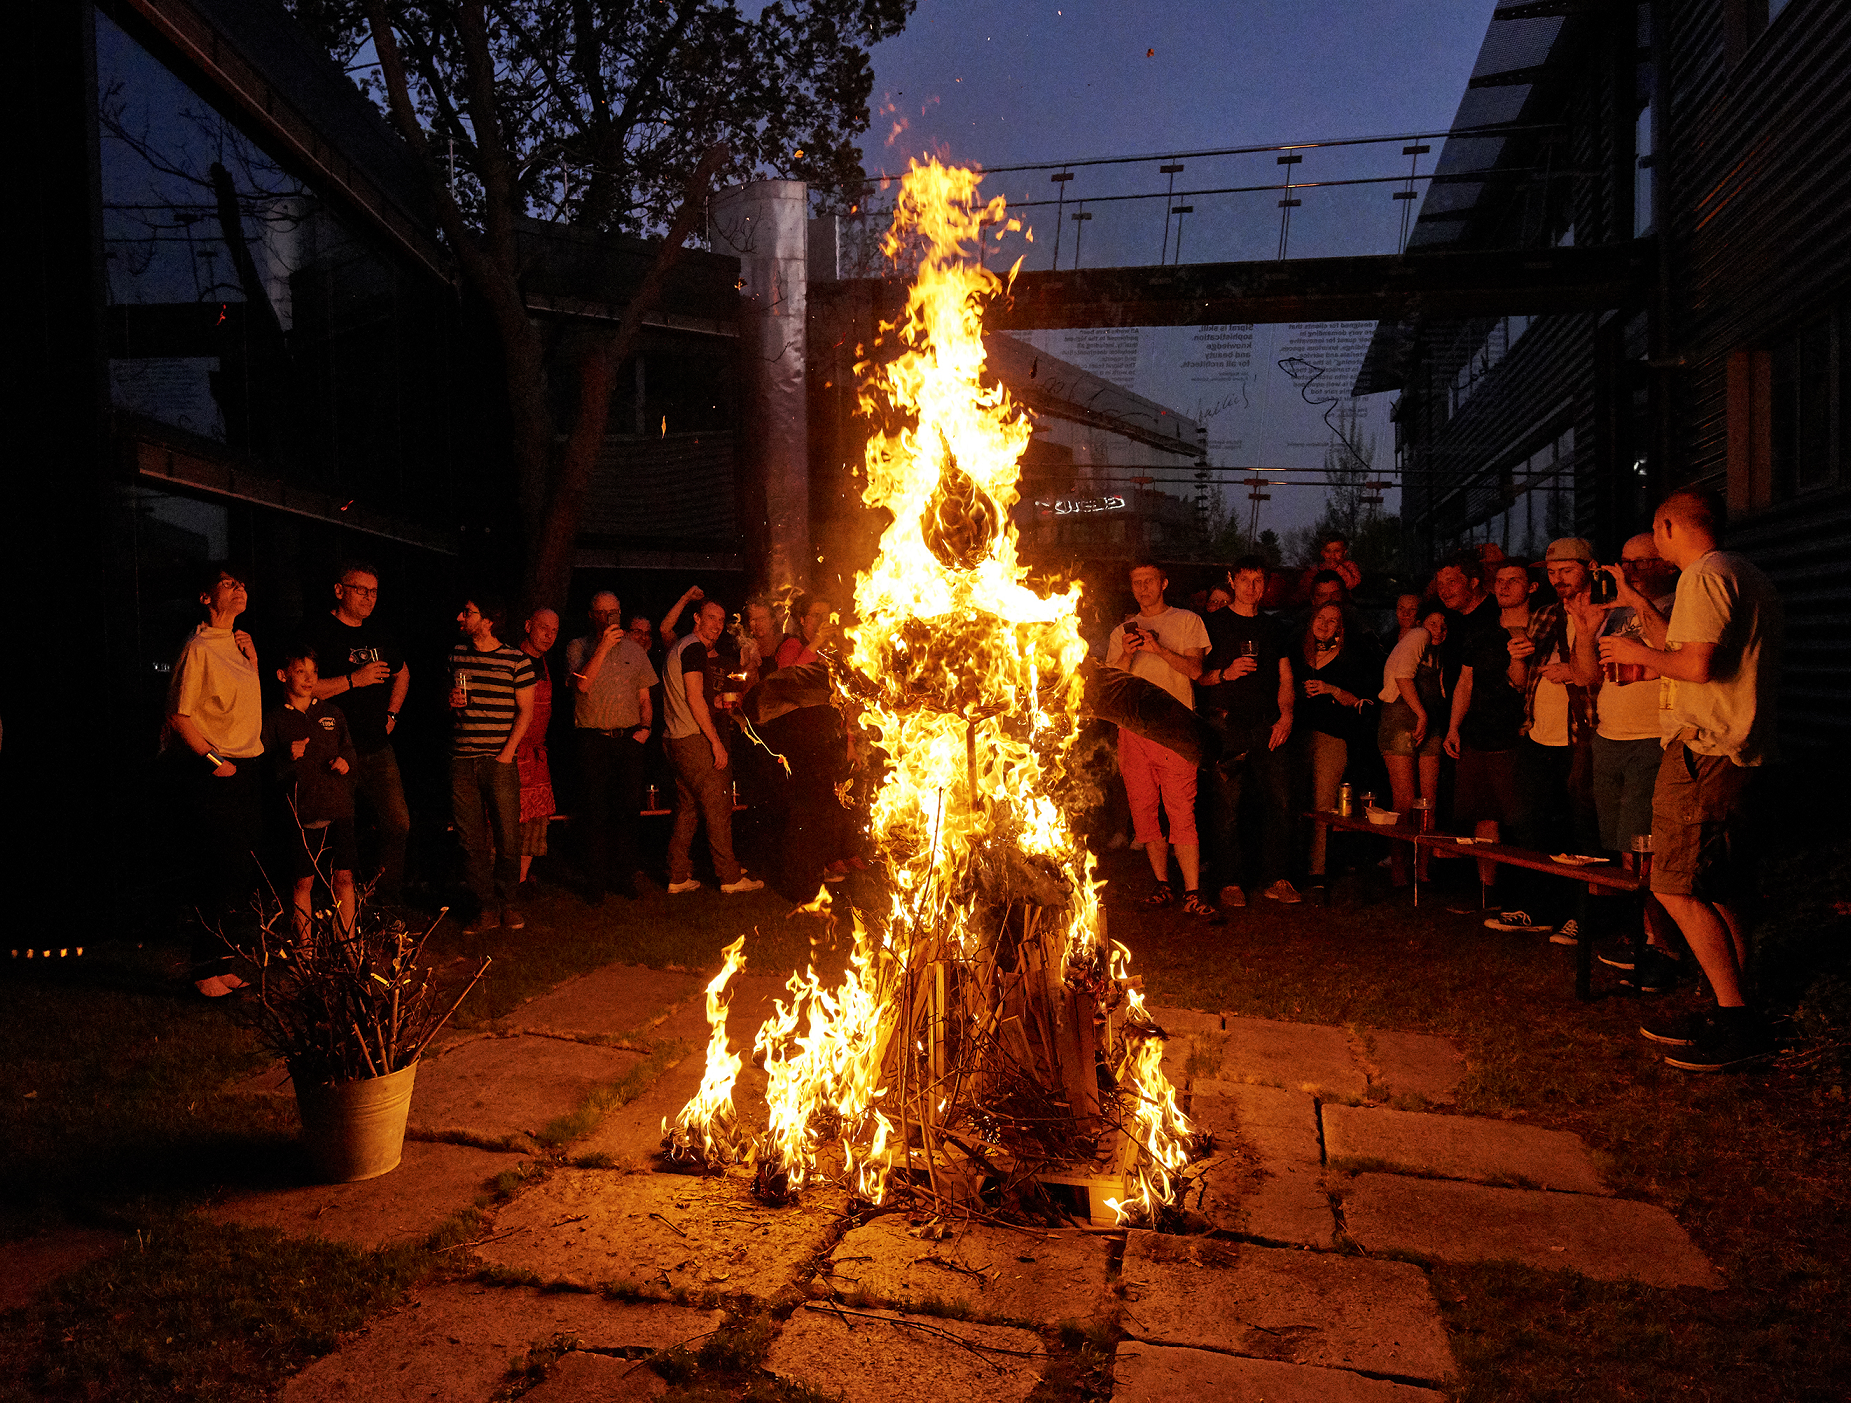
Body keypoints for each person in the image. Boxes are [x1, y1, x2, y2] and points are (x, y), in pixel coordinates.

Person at [1599, 489, 1783, 1071]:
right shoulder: (1742, 573)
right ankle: (1737, 1003)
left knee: (1674, 884)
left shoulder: (1704, 577)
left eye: (1655, 535)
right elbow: (1690, 649)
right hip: (1736, 748)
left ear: (1669, 525)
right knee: (1720, 883)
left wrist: (1636, 651)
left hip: (1703, 751)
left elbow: (1696, 666)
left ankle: (1735, 1019)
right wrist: (1638, 608)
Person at [1571, 534, 1684, 989]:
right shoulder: (1616, 611)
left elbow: (1679, 658)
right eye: (1625, 561)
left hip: (1653, 736)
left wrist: (1637, 603)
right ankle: (1643, 934)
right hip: (1610, 735)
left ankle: (1664, 947)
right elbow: (1586, 675)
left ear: (1667, 565)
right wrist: (1584, 633)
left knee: (1647, 843)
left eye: (1641, 561)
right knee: (1624, 842)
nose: (1630, 569)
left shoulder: (1676, 607)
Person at [165, 564, 263, 997]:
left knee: (237, 872)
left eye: (241, 583)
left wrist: (254, 661)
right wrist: (212, 760)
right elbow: (178, 714)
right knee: (217, 869)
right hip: (217, 770)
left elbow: (244, 705)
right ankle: (204, 970)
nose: (239, 588)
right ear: (206, 597)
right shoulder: (199, 646)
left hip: (247, 767)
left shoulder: (240, 644)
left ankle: (223, 962)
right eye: (228, 584)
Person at [1496, 543, 1599, 943]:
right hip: (1539, 733)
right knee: (1533, 825)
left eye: (1566, 570)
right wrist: (1517, 657)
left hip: (1585, 736)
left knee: (1583, 832)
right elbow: (1520, 680)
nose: (1558, 579)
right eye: (1552, 572)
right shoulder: (1544, 615)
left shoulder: (1606, 612)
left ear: (1589, 569)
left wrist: (1574, 670)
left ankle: (1583, 915)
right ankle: (1536, 908)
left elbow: (1616, 672)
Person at [1106, 563, 1213, 915]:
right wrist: (1127, 652)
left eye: (1149, 581)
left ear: (1164, 583)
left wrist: (1158, 649)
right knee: (1143, 810)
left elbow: (1196, 671)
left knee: (1181, 809)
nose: (1142, 587)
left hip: (1174, 729)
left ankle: (1193, 891)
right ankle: (1162, 883)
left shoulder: (1187, 621)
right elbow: (1112, 682)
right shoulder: (1121, 630)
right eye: (1136, 582)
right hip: (1133, 729)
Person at [305, 561, 411, 900]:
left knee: (398, 822)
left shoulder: (379, 633)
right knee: (339, 829)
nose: (368, 597)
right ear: (339, 591)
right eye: (360, 590)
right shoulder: (317, 633)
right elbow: (306, 688)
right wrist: (354, 680)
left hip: (377, 746)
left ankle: (383, 895)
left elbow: (403, 672)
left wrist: (392, 714)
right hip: (333, 749)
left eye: (373, 591)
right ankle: (334, 899)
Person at [1197, 556, 1298, 909]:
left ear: (1265, 584)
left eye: (1258, 580)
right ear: (1231, 581)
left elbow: (1286, 678)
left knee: (1281, 801)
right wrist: (1226, 673)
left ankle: (1277, 878)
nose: (1252, 587)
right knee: (1228, 805)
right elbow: (1198, 676)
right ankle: (1229, 881)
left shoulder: (1275, 628)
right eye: (1245, 580)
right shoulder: (1212, 624)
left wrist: (1286, 716)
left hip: (1268, 723)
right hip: (1228, 724)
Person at [1441, 553, 1527, 900]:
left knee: (1516, 816)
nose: (1445, 590)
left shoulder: (1514, 623)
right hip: (1475, 732)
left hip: (1510, 732)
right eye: (1441, 583)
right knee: (1482, 811)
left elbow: (1519, 683)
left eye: (1453, 581)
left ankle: (1522, 894)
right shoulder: (1474, 628)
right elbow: (1465, 680)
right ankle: (1485, 891)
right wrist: (1453, 727)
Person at [448, 593, 535, 933]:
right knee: (470, 839)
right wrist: (450, 701)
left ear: (488, 621)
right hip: (462, 759)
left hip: (499, 760)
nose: (460, 617)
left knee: (507, 836)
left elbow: (525, 712)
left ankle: (509, 903)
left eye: (468, 612)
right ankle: (485, 907)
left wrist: (506, 753)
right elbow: (450, 706)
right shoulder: (456, 655)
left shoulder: (516, 661)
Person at [663, 597, 763, 894]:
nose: (717, 625)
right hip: (692, 738)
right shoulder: (693, 648)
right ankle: (730, 877)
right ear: (697, 618)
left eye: (721, 620)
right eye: (711, 618)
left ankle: (677, 875)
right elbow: (693, 699)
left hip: (675, 737)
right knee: (718, 806)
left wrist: (719, 701)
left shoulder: (682, 648)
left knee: (688, 807)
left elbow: (691, 695)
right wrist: (716, 742)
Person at [566, 592, 659, 904]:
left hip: (628, 738)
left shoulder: (635, 650)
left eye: (614, 612)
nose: (608, 617)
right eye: (602, 612)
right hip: (593, 739)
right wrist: (604, 646)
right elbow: (582, 684)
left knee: (629, 810)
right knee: (595, 811)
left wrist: (645, 728)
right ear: (592, 615)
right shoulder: (578, 646)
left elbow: (645, 696)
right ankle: (596, 882)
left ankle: (624, 876)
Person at [264, 645, 359, 938]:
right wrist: (286, 757)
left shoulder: (332, 712)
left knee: (344, 876)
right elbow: (264, 767)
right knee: (303, 882)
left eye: (313, 672)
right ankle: (304, 948)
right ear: (282, 675)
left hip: (339, 808)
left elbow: (350, 750)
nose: (309, 678)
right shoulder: (275, 718)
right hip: (301, 812)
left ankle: (349, 940)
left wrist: (345, 762)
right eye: (300, 671)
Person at [768, 593, 858, 892]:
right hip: (800, 741)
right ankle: (799, 879)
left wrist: (849, 740)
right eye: (816, 614)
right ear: (803, 619)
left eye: (827, 614)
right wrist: (816, 643)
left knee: (825, 808)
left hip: (827, 738)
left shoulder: (832, 652)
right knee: (804, 811)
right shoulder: (791, 646)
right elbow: (788, 680)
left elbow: (841, 699)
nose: (823, 620)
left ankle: (819, 868)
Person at [1295, 603, 1380, 897]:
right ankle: (1290, 866)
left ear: (1341, 630)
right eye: (1321, 618)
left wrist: (1330, 689)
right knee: (1293, 799)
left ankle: (1317, 870)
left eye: (1333, 621)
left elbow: (1362, 702)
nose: (1325, 624)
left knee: (1322, 803)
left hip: (1332, 737)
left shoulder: (1350, 660)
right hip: (1296, 736)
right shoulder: (1298, 655)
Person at [1378, 602, 1449, 885]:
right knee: (1405, 801)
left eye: (1444, 625)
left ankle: (1423, 870)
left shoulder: (1442, 651)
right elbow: (1402, 675)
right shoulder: (1417, 636)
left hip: (1431, 723)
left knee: (1428, 802)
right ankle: (1400, 871)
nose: (1439, 630)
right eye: (1434, 624)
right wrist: (1421, 713)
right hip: (1401, 719)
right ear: (1421, 623)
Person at [515, 608, 559, 887]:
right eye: (543, 627)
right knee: (503, 821)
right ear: (528, 625)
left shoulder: (544, 663)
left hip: (536, 753)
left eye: (554, 630)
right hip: (512, 751)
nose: (548, 635)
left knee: (536, 821)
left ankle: (518, 881)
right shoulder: (512, 660)